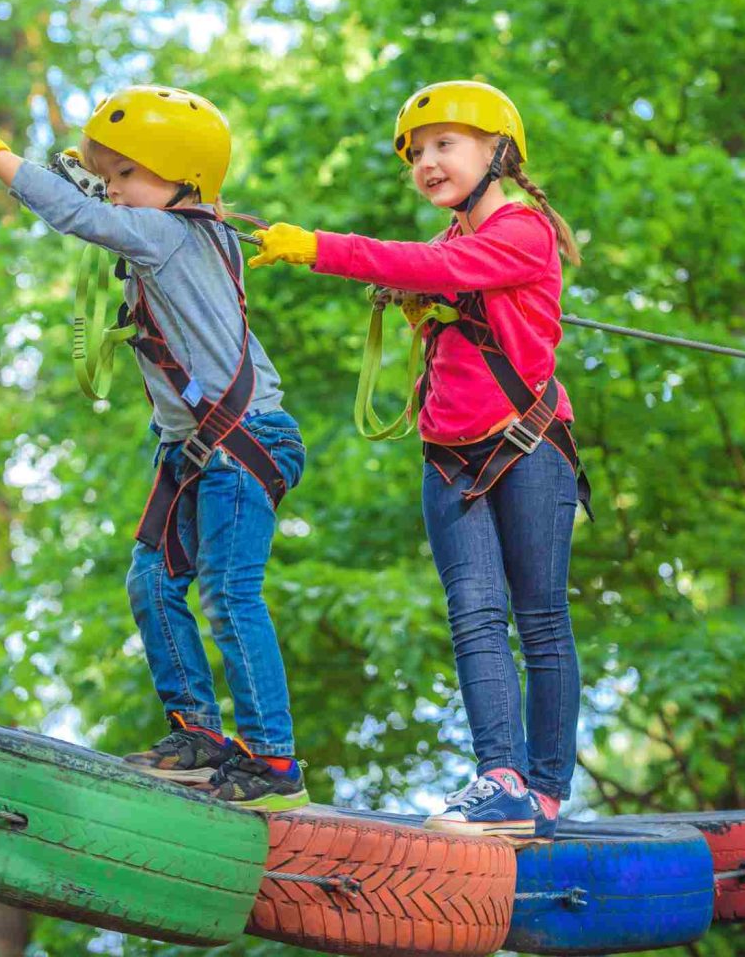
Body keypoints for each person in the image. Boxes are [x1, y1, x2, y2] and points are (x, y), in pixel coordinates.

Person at [0, 85, 309, 811]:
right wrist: (86, 179)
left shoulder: (171, 234)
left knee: (229, 593)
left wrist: (0, 161)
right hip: (194, 447)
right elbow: (98, 207)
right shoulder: (181, 232)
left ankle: (274, 761)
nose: (112, 189)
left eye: (126, 174)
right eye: (107, 177)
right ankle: (198, 735)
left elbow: (82, 217)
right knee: (152, 581)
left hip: (242, 443)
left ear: (184, 178)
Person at [249, 80, 590, 838]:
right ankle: (500, 779)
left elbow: (422, 266)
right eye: (418, 154)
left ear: (497, 151)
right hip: (450, 456)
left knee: (539, 618)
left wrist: (318, 248)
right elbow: (429, 270)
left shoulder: (523, 231)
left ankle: (544, 790)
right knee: (474, 614)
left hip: (528, 446)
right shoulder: (450, 246)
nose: (427, 163)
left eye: (445, 145)